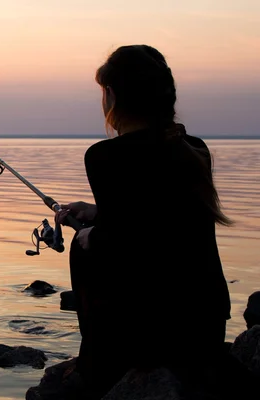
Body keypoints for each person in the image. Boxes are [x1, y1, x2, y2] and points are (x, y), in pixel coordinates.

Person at [55, 45, 234, 398]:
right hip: (205, 326)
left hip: (154, 337)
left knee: (82, 246)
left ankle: (96, 364)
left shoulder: (104, 155)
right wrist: (98, 213)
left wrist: (92, 234)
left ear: (113, 96)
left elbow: (125, 241)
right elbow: (159, 224)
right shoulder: (193, 147)